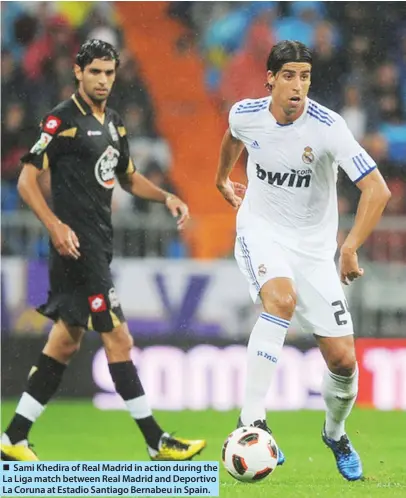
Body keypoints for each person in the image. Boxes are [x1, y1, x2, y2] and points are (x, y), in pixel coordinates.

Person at [1, 39, 206, 462]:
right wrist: (55, 225)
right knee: (119, 337)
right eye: (95, 72)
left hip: (98, 244)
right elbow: (26, 180)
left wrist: (165, 196)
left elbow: (128, 176)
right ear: (78, 72)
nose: (103, 80)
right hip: (77, 250)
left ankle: (12, 439)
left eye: (109, 73)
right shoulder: (61, 121)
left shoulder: (114, 122)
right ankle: (156, 441)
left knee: (65, 343)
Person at [215, 40, 391, 481]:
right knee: (280, 301)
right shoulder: (245, 113)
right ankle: (252, 419)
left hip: (315, 251)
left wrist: (349, 247)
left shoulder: (328, 127)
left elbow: (378, 189)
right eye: (289, 75)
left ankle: (335, 433)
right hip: (261, 230)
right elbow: (233, 137)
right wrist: (222, 178)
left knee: (343, 362)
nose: (298, 86)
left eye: (306, 77)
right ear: (270, 78)